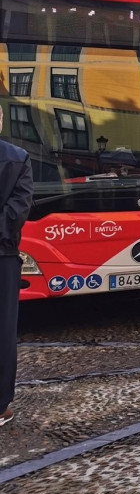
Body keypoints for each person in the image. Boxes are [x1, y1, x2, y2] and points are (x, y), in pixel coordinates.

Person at [0, 105, 35, 428]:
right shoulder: (18, 158)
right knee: (3, 331)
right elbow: (17, 210)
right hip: (3, 256)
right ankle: (0, 407)